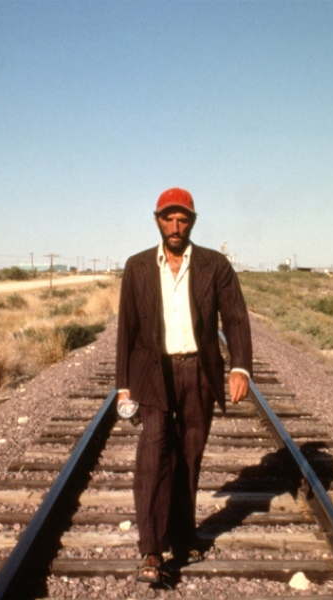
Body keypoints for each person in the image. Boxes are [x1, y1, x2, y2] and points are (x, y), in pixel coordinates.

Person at [115, 187, 253, 584]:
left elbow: (236, 318)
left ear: (192, 222)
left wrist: (240, 367)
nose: (175, 227)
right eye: (168, 218)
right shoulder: (137, 266)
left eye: (183, 219)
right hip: (151, 373)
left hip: (197, 371)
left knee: (190, 454)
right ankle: (152, 551)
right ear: (157, 220)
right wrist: (123, 386)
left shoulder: (215, 264)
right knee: (154, 453)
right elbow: (127, 328)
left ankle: (182, 533)